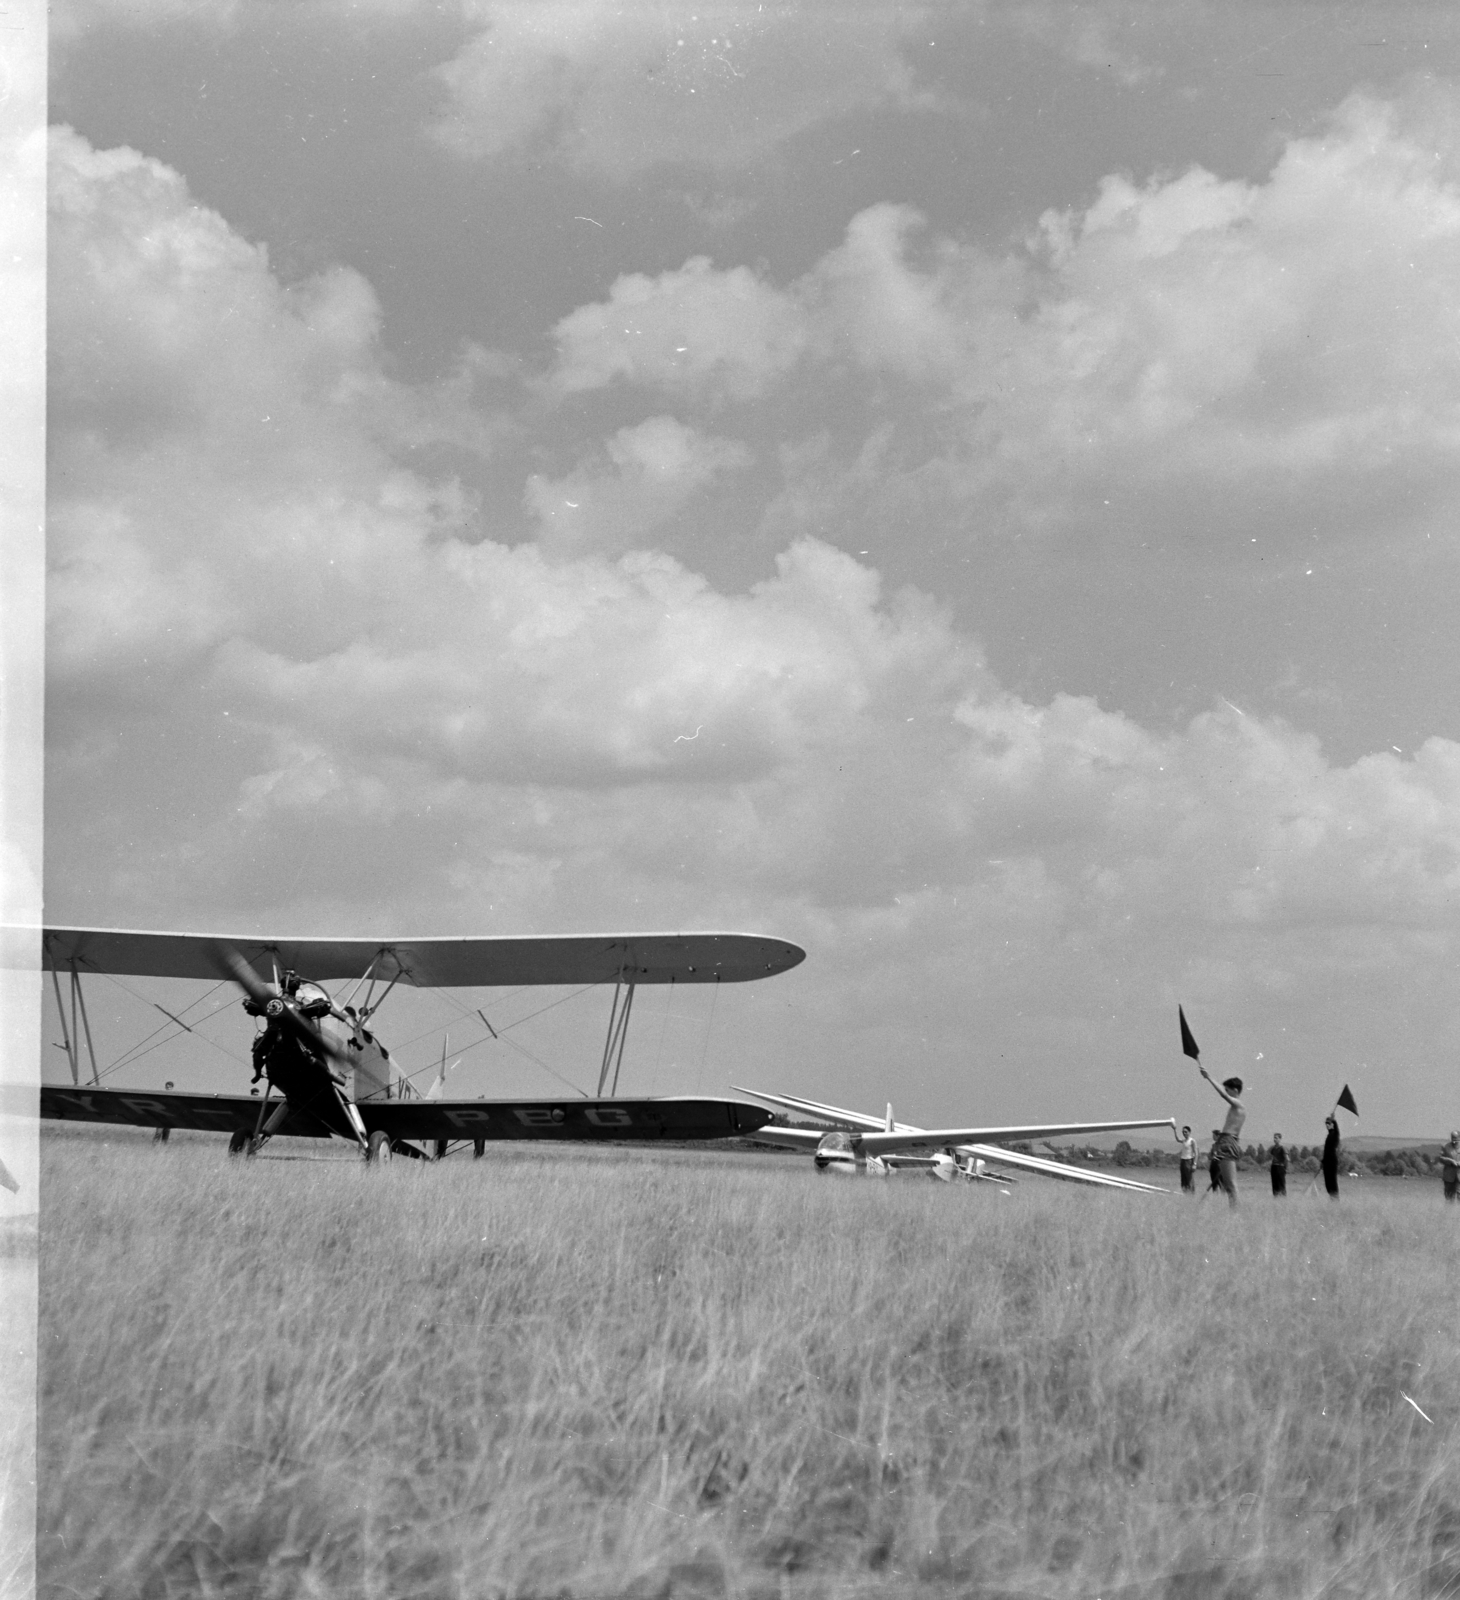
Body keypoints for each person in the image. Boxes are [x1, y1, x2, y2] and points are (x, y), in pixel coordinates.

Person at [1199, 1066, 1246, 1207]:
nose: (1227, 1093)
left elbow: (1223, 1096)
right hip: (1225, 1142)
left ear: (1235, 1090)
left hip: (1228, 1143)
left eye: (1228, 1090)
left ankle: (1235, 1214)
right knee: (1227, 1184)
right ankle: (1233, 1211)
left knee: (1231, 1184)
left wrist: (1209, 1077)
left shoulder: (1238, 1105)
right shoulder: (1235, 1107)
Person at [1174, 1124, 1197, 1194]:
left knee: (1189, 1178)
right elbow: (1177, 1139)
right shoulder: (1184, 1141)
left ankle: (1192, 1193)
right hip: (1183, 1161)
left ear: (1189, 1132)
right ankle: (1185, 1192)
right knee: (1183, 1178)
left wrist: (1194, 1164)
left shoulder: (1192, 1141)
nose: (1184, 1133)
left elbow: (1196, 1153)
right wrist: (1174, 1129)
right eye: (1183, 1132)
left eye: (1186, 1132)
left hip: (1189, 1161)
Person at [1322, 1115, 1340, 1199]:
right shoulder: (1328, 1136)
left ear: (1332, 1124)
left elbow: (1337, 1130)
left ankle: (1335, 1200)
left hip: (1332, 1162)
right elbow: (1326, 1151)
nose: (1327, 1125)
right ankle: (1331, 1199)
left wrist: (1334, 1120)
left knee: (1332, 1182)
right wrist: (1323, 1161)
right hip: (1326, 1162)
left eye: (1329, 1123)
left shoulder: (1335, 1134)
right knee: (1327, 1183)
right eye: (1326, 1123)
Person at [1441, 1133, 1460, 1203]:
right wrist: (1450, 1161)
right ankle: (1449, 1212)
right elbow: (1440, 1158)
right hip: (1448, 1176)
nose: (1454, 1140)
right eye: (1453, 1138)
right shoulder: (1446, 1146)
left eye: (1456, 1138)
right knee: (1449, 1197)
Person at [1269, 1132, 1288, 1197]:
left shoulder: (1283, 1148)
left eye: (1276, 1138)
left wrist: (1285, 1168)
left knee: (1281, 1184)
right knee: (1275, 1184)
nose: (1274, 1139)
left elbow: (1287, 1159)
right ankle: (1276, 1198)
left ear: (1280, 1139)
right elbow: (1272, 1156)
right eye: (1274, 1138)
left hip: (1280, 1167)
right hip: (1274, 1166)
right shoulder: (1273, 1148)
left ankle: (1283, 1198)